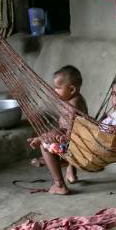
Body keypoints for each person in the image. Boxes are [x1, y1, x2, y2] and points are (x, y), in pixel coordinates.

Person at [28, 65, 88, 194]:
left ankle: (59, 184)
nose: (54, 91)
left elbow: (69, 132)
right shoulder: (76, 99)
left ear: (71, 89)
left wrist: (47, 137)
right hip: (79, 141)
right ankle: (71, 171)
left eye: (58, 88)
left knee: (45, 146)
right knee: (52, 135)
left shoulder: (73, 105)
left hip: (74, 144)